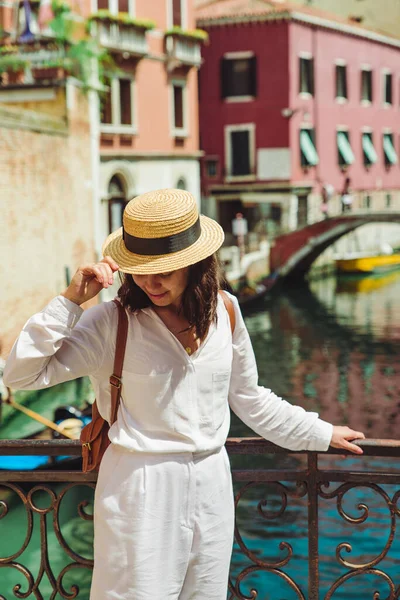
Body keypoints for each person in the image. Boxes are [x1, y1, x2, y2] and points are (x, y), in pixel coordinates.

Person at [3, 188, 365, 600]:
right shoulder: (111, 323)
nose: (150, 282)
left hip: (213, 484)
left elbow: (250, 398)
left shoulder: (226, 311)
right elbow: (21, 373)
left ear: (195, 262)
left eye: (164, 270)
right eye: (140, 269)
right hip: (140, 491)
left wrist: (319, 433)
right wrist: (69, 304)